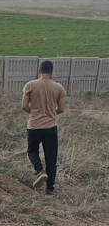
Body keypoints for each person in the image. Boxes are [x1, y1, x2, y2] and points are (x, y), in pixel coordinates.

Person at [22, 61, 66, 196]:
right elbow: (61, 109)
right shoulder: (59, 88)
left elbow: (24, 106)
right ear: (51, 73)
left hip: (34, 126)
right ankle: (50, 189)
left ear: (39, 71)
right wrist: (51, 114)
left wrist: (35, 113)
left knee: (32, 151)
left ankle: (40, 171)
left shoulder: (30, 85)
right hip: (51, 127)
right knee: (51, 157)